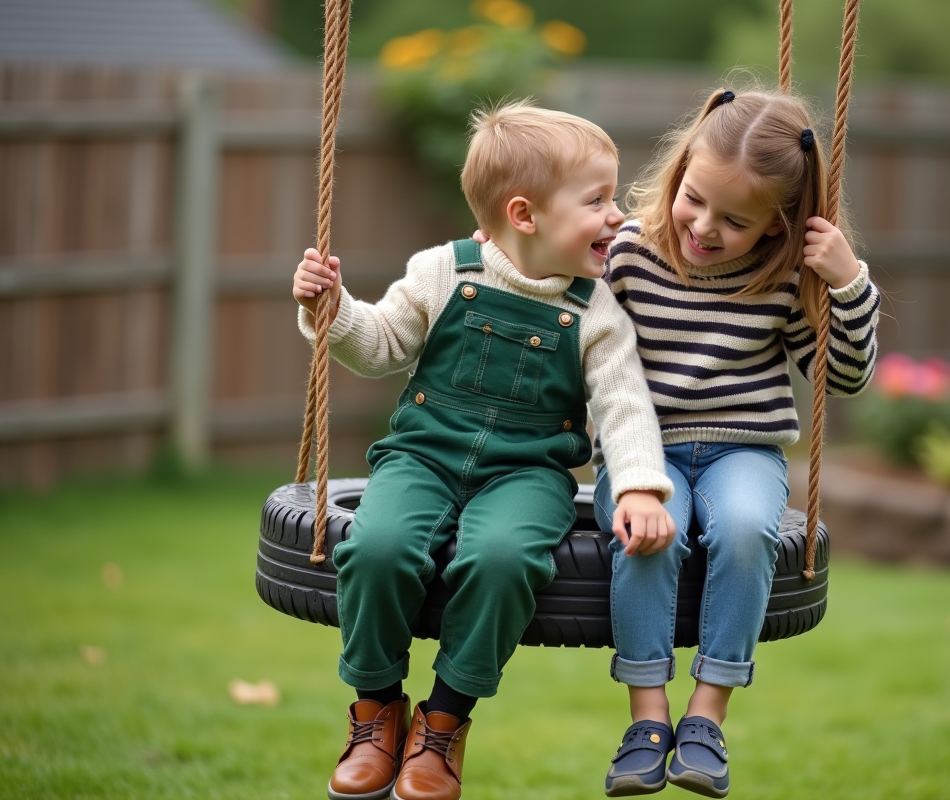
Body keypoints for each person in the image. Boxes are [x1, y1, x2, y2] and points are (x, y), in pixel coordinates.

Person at [292, 100, 676, 800]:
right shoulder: (443, 271)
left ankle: (442, 726)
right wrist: (332, 309)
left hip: (526, 474)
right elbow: (379, 345)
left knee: (502, 559)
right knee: (376, 548)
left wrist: (643, 486)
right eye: (597, 200)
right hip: (422, 459)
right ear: (526, 215)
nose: (617, 215)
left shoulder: (597, 311)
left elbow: (624, 408)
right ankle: (376, 711)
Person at [595, 87, 881, 798]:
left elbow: (839, 377)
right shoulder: (629, 251)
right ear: (681, 168)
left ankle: (707, 717)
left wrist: (847, 284)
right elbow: (570, 323)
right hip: (644, 451)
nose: (704, 226)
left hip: (743, 448)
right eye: (695, 198)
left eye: (736, 219)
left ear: (779, 225)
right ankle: (647, 718)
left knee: (752, 529)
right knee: (648, 534)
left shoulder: (783, 275)